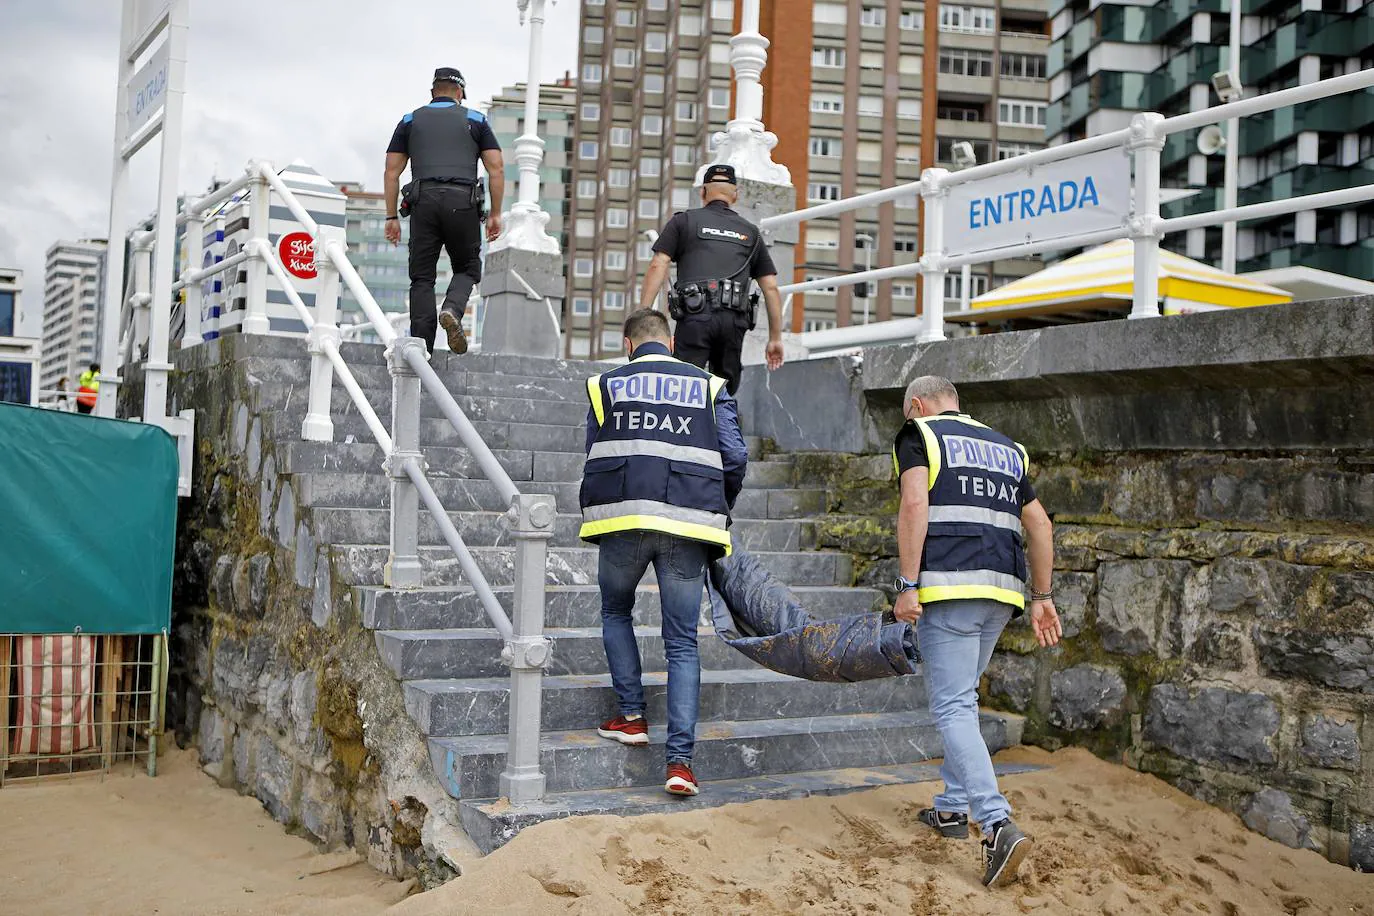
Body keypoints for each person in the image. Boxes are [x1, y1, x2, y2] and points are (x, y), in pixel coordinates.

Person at [891, 376, 1062, 889]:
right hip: (1002, 593)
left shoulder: (919, 434)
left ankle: (995, 823)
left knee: (951, 706)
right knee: (963, 697)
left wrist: (906, 583)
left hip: (948, 587)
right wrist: (1043, 597)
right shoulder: (1009, 449)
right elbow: (1041, 526)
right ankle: (950, 808)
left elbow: (915, 504)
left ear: (918, 406)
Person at [580, 308, 749, 797]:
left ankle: (632, 716)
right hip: (687, 522)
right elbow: (735, 456)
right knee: (681, 643)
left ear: (628, 344)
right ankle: (680, 765)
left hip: (623, 519)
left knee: (615, 611)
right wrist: (717, 503)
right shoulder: (708, 386)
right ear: (671, 344)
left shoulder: (605, 385)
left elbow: (594, 449)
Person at [383, 67, 504, 355]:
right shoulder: (476, 119)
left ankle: (421, 348)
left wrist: (391, 217)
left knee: (422, 277)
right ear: (460, 93)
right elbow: (496, 168)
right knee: (467, 268)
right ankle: (452, 308)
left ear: (433, 92)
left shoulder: (410, 120)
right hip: (462, 202)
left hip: (423, 202)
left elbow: (391, 172)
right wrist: (496, 213)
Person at [637, 163, 784, 395]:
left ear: (703, 192)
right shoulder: (751, 233)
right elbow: (771, 288)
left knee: (684, 386)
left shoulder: (683, 222)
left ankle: (689, 427)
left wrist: (644, 314)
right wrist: (775, 338)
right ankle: (719, 427)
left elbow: (658, 264)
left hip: (695, 316)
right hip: (733, 321)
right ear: (735, 195)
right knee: (724, 390)